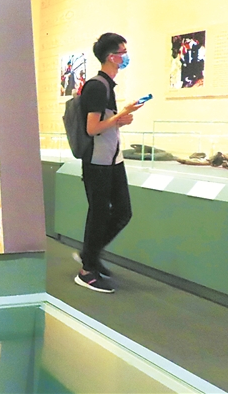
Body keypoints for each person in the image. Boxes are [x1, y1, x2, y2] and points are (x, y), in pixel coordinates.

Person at [74, 32, 143, 293]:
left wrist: (121, 116)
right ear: (111, 57)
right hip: (98, 162)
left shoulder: (106, 85)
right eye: (123, 52)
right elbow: (92, 128)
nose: (126, 56)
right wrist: (120, 117)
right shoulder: (96, 86)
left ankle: (89, 255)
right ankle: (87, 270)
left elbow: (104, 124)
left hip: (112, 160)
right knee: (99, 214)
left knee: (123, 211)